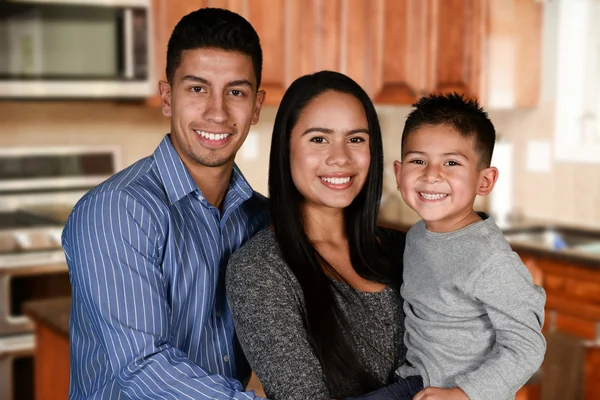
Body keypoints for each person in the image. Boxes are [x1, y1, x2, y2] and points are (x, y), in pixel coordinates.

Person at [62, 8, 270, 399]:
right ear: (167, 97)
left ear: (256, 106)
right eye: (197, 88)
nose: (217, 111)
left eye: (236, 92)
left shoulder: (261, 218)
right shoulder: (118, 211)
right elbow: (144, 368)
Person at [226, 70, 412, 400]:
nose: (340, 158)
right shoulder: (260, 269)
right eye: (319, 139)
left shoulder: (406, 249)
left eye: (356, 139)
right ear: (286, 149)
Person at [389, 93, 546, 400]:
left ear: (484, 181)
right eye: (418, 160)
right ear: (398, 173)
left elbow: (527, 346)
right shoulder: (418, 235)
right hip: (413, 381)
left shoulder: (490, 259)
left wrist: (464, 393)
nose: (432, 175)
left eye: (452, 163)